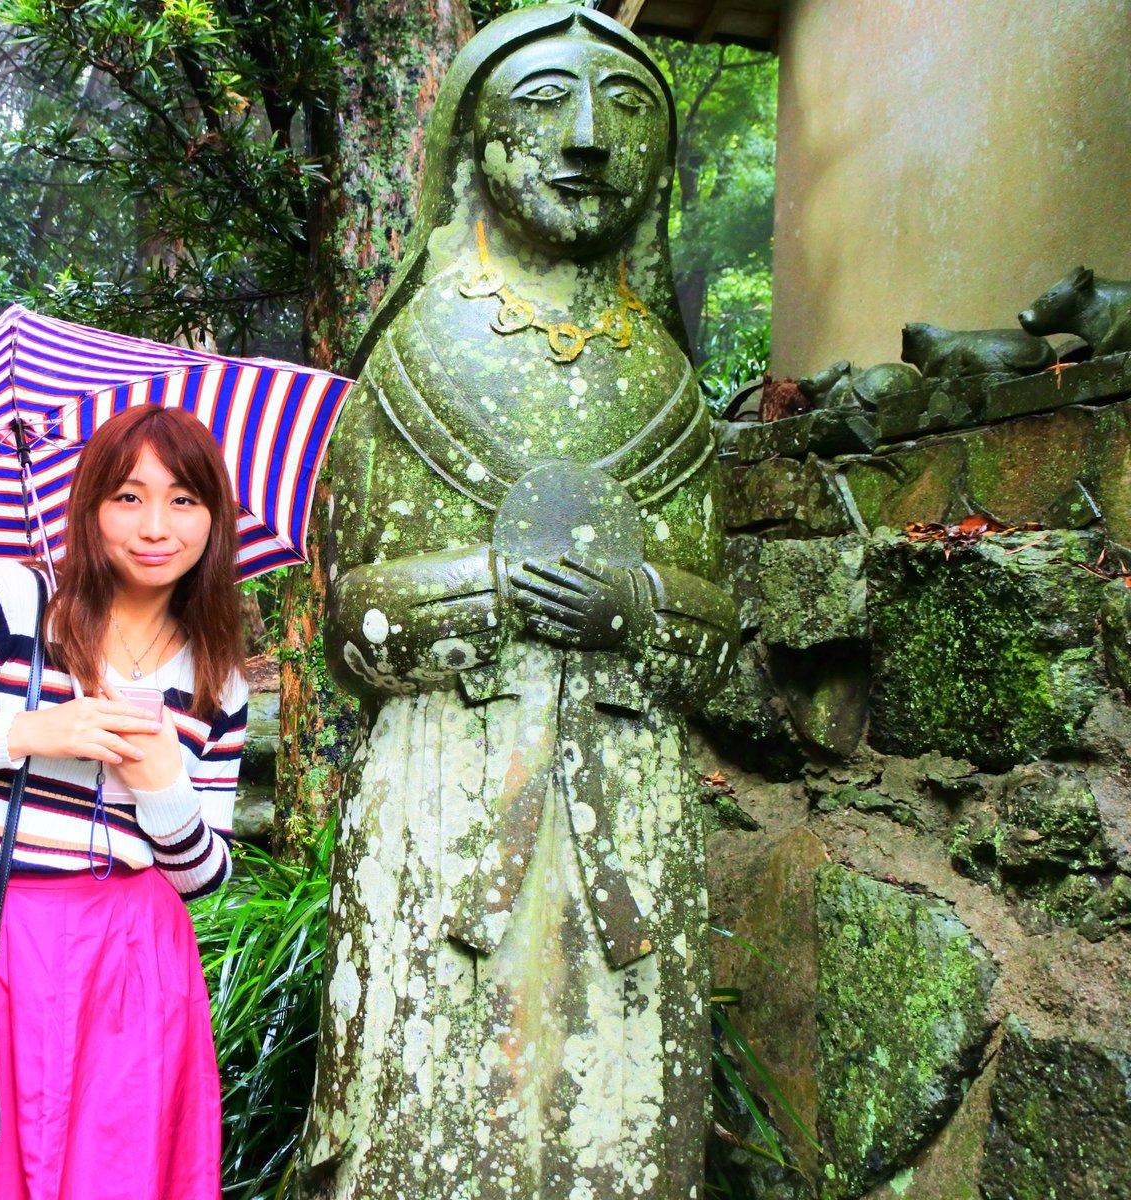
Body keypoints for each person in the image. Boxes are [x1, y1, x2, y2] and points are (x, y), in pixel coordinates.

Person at [301, 7, 738, 1200]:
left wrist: (638, 605)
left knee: (620, 1103)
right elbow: (351, 623)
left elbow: (715, 629)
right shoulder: (415, 356)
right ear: (475, 139)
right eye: (548, 100)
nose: (590, 140)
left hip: (629, 790)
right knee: (433, 1105)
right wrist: (491, 589)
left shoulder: (664, 373)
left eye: (627, 108)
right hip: (448, 786)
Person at [0, 404, 249, 1200]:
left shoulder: (217, 674)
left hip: (132, 957)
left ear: (213, 517)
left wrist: (163, 782)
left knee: (115, 1172)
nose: (156, 525)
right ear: (90, 508)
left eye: (184, 499)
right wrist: (27, 730)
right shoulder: (5, 604)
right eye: (128, 497)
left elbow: (204, 875)